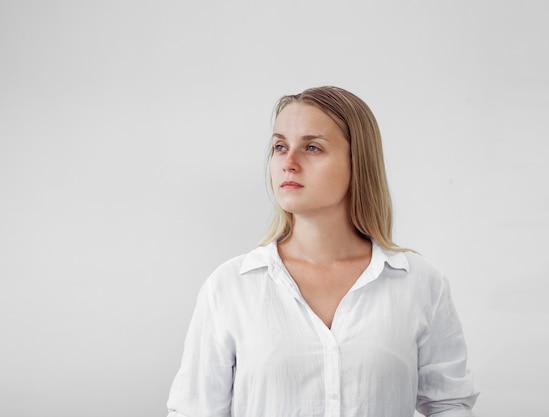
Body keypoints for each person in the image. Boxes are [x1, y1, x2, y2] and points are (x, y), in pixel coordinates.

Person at [166, 86, 478, 417]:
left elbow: (449, 405)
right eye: (280, 146)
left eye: (312, 147)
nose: (289, 163)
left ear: (358, 162)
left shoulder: (420, 284)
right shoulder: (229, 287)